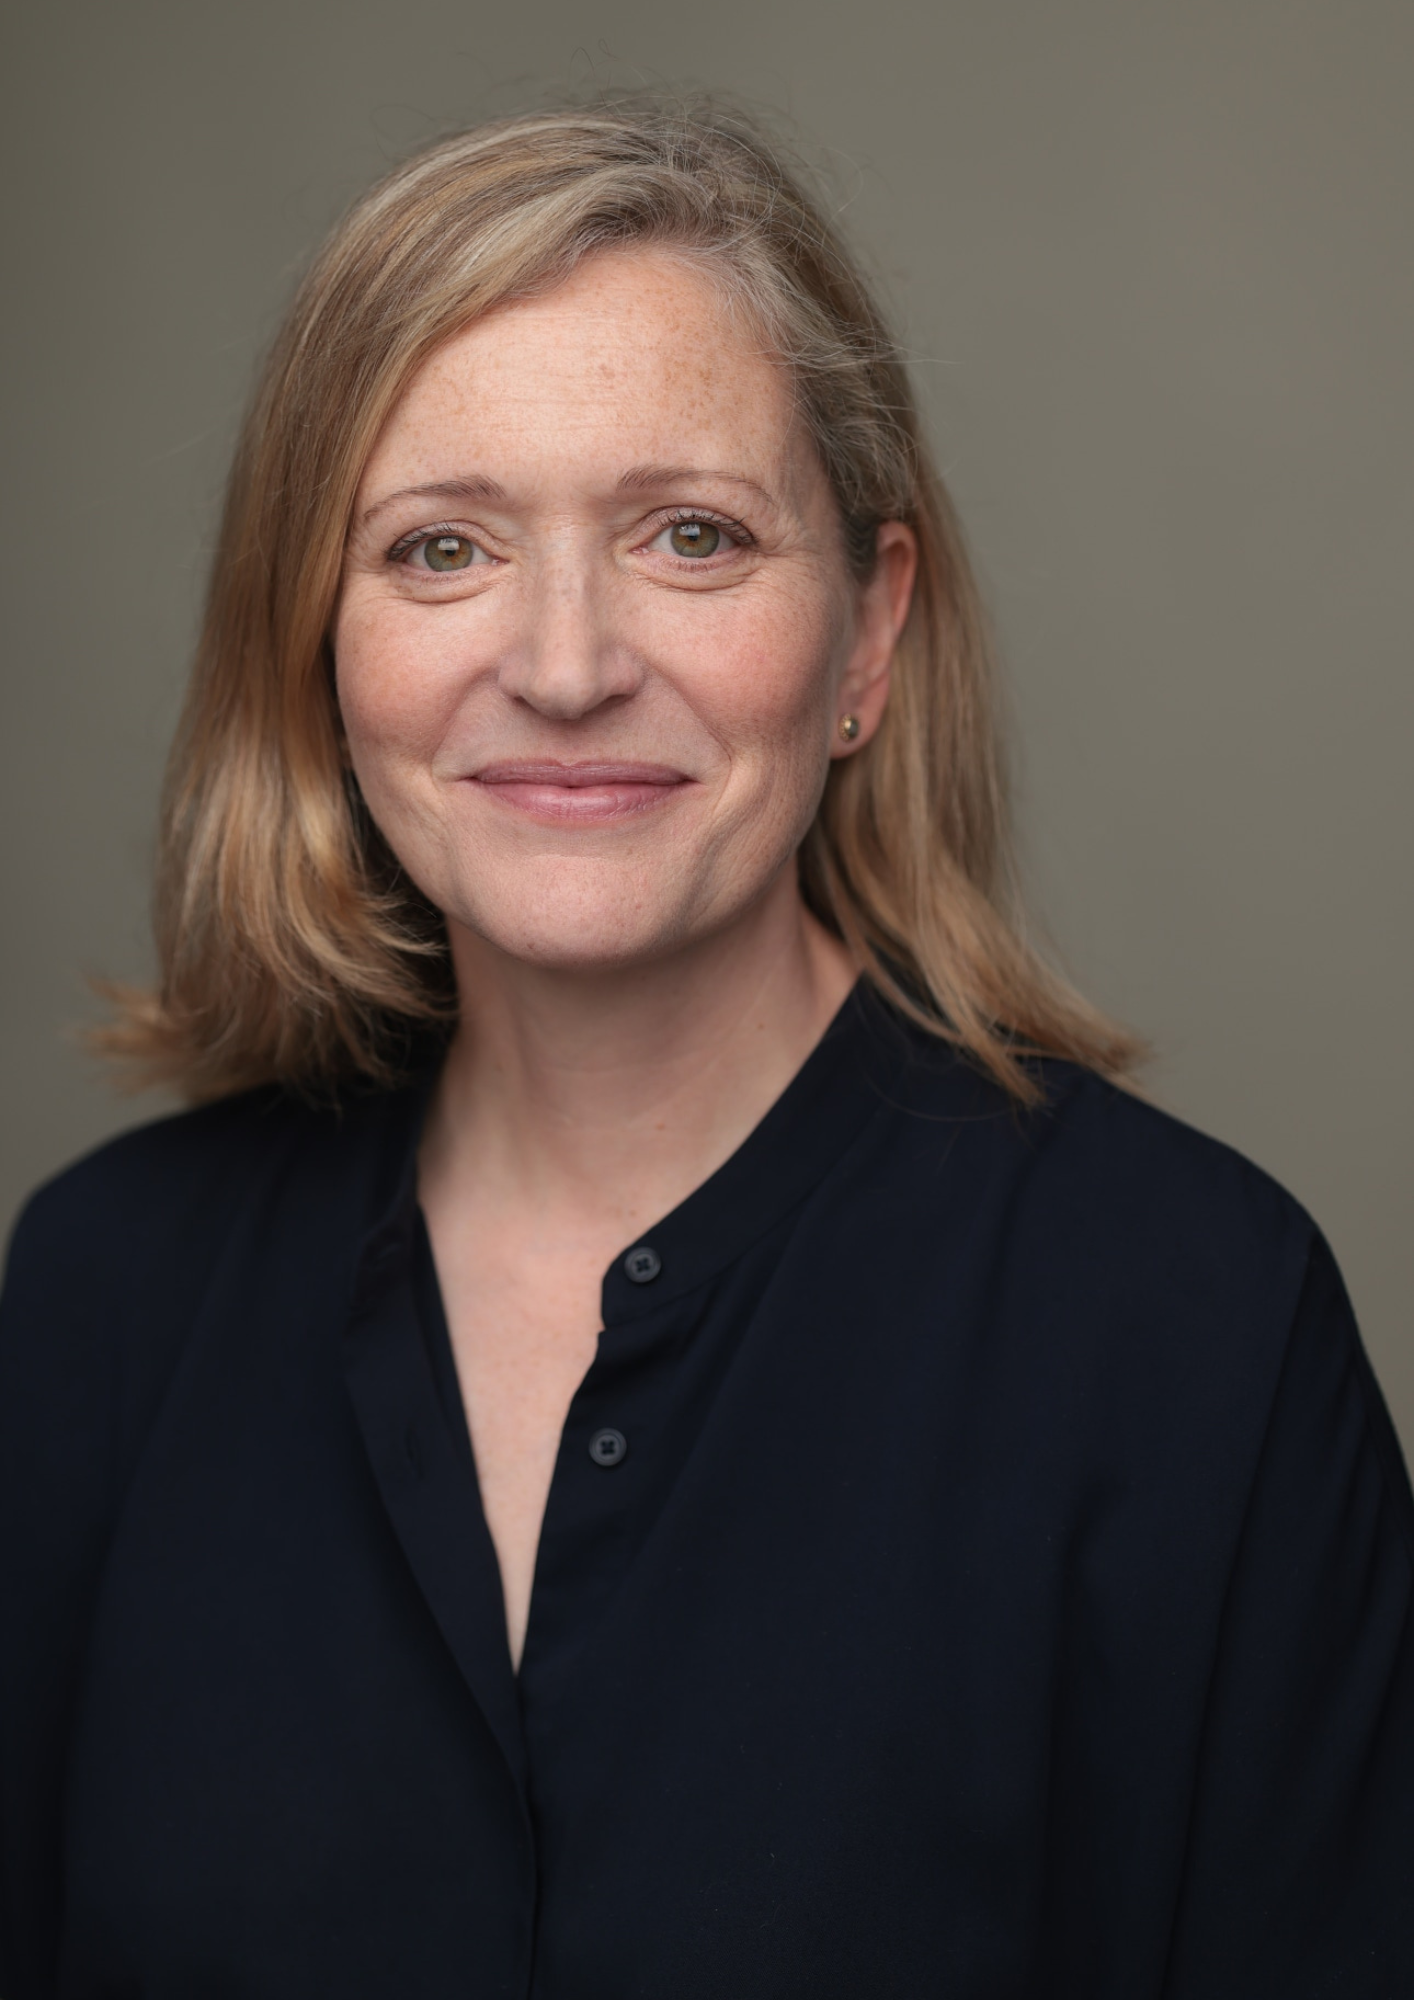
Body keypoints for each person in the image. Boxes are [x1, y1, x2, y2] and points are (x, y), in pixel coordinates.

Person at [1, 97, 1411, 1999]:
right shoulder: (103, 1297)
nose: (565, 664)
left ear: (866, 636)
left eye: (690, 536)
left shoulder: (1191, 1328)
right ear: (314, 640)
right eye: (440, 549)